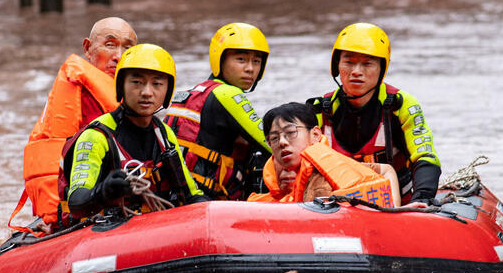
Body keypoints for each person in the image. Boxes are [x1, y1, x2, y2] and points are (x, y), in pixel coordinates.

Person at [10, 17, 138, 231]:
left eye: (127, 48)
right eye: (109, 45)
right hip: (79, 207)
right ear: (87, 48)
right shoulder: (78, 91)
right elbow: (58, 160)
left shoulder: (137, 96)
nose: (118, 56)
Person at [60, 44, 205, 221]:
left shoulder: (165, 135)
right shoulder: (97, 135)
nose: (146, 93)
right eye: (136, 82)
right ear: (121, 86)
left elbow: (191, 195)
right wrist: (104, 191)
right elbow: (77, 204)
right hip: (106, 232)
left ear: (168, 91)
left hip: (155, 228)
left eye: (157, 84)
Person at [307, 22, 441, 205]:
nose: (356, 72)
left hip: (399, 202)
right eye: (349, 62)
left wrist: (423, 198)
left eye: (367, 64)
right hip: (335, 204)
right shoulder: (319, 109)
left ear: (381, 69)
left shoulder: (401, 105)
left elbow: (425, 157)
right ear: (336, 65)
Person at [164, 22, 272, 200]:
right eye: (241, 60)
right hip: (206, 200)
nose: (250, 69)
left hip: (175, 195)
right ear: (220, 60)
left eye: (256, 61)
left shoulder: (196, 92)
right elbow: (270, 141)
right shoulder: (227, 94)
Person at [247, 102, 397, 206]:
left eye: (291, 132)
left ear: (315, 134)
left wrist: (394, 210)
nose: (282, 142)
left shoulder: (334, 169)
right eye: (274, 138)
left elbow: (387, 170)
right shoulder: (274, 170)